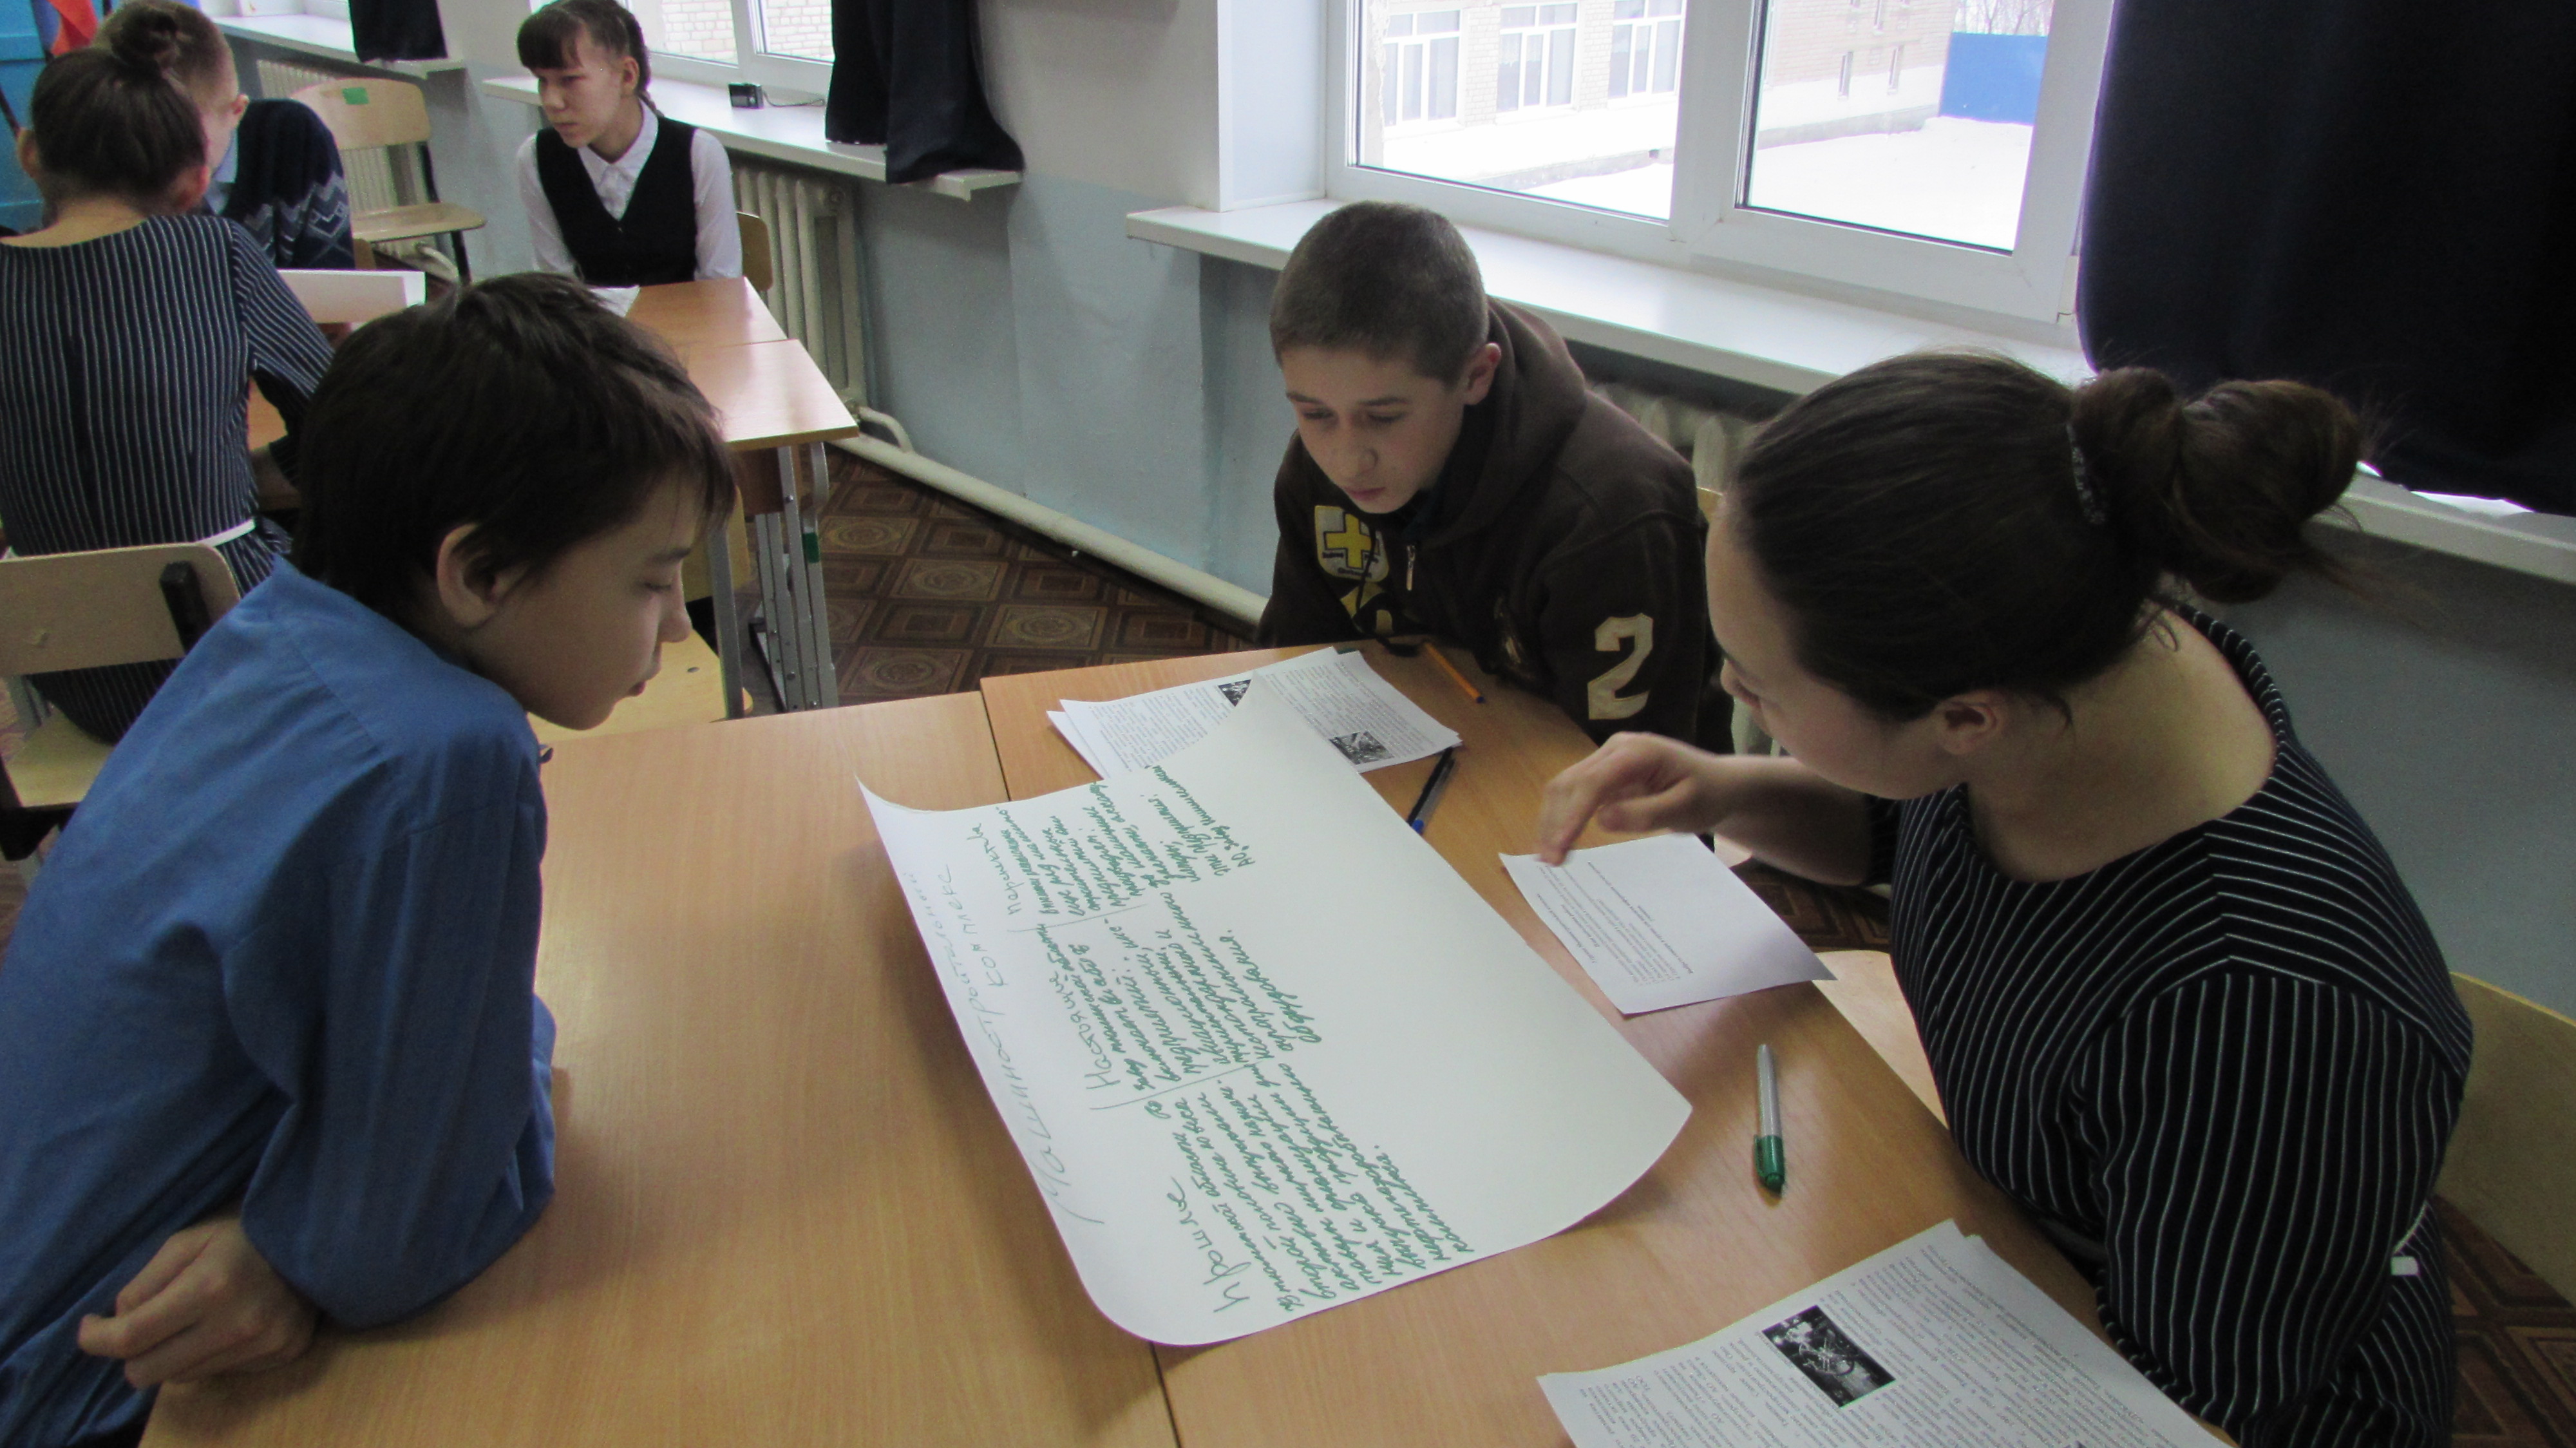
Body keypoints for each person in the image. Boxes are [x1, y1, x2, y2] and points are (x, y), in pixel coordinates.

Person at [1537, 352, 2470, 1446]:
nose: (1727, 690)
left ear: (1968, 719)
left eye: (1758, 686)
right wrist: (1729, 787)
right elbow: (1896, 824)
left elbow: (2182, 1398)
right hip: (2005, 1246)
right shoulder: (2073, 670)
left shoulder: (2260, 1010)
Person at [0, 273, 734, 1448]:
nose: (679, 627)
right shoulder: (449, 757)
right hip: (110, 1394)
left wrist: (309, 1219)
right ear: (479, 573)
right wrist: (311, 1233)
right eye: (652, 581)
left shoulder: (268, 624)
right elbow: (422, 1224)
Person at [1255, 201, 1716, 748]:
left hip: (1570, 784)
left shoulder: (1608, 517)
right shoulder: (1315, 475)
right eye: (1315, 414)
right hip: (1419, 756)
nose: (1347, 460)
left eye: (1384, 418)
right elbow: (1297, 666)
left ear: (1476, 375)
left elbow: (1630, 776)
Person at [0, 2, 333, 741]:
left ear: (30, 153)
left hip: (64, 664)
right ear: (192, 183)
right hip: (231, 650)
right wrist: (250, 477)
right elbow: (346, 423)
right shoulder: (216, 253)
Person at [104, 0, 356, 270]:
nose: (156, 158)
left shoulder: (294, 137)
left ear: (236, 111)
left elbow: (334, 280)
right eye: (134, 136)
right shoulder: (92, 160)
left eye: (181, 139)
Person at [515, 0, 741, 287]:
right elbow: (557, 288)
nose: (551, 101)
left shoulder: (698, 154)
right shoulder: (537, 158)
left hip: (694, 315)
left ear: (627, 76)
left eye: (569, 80)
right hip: (589, 317)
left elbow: (721, 286)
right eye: (542, 81)